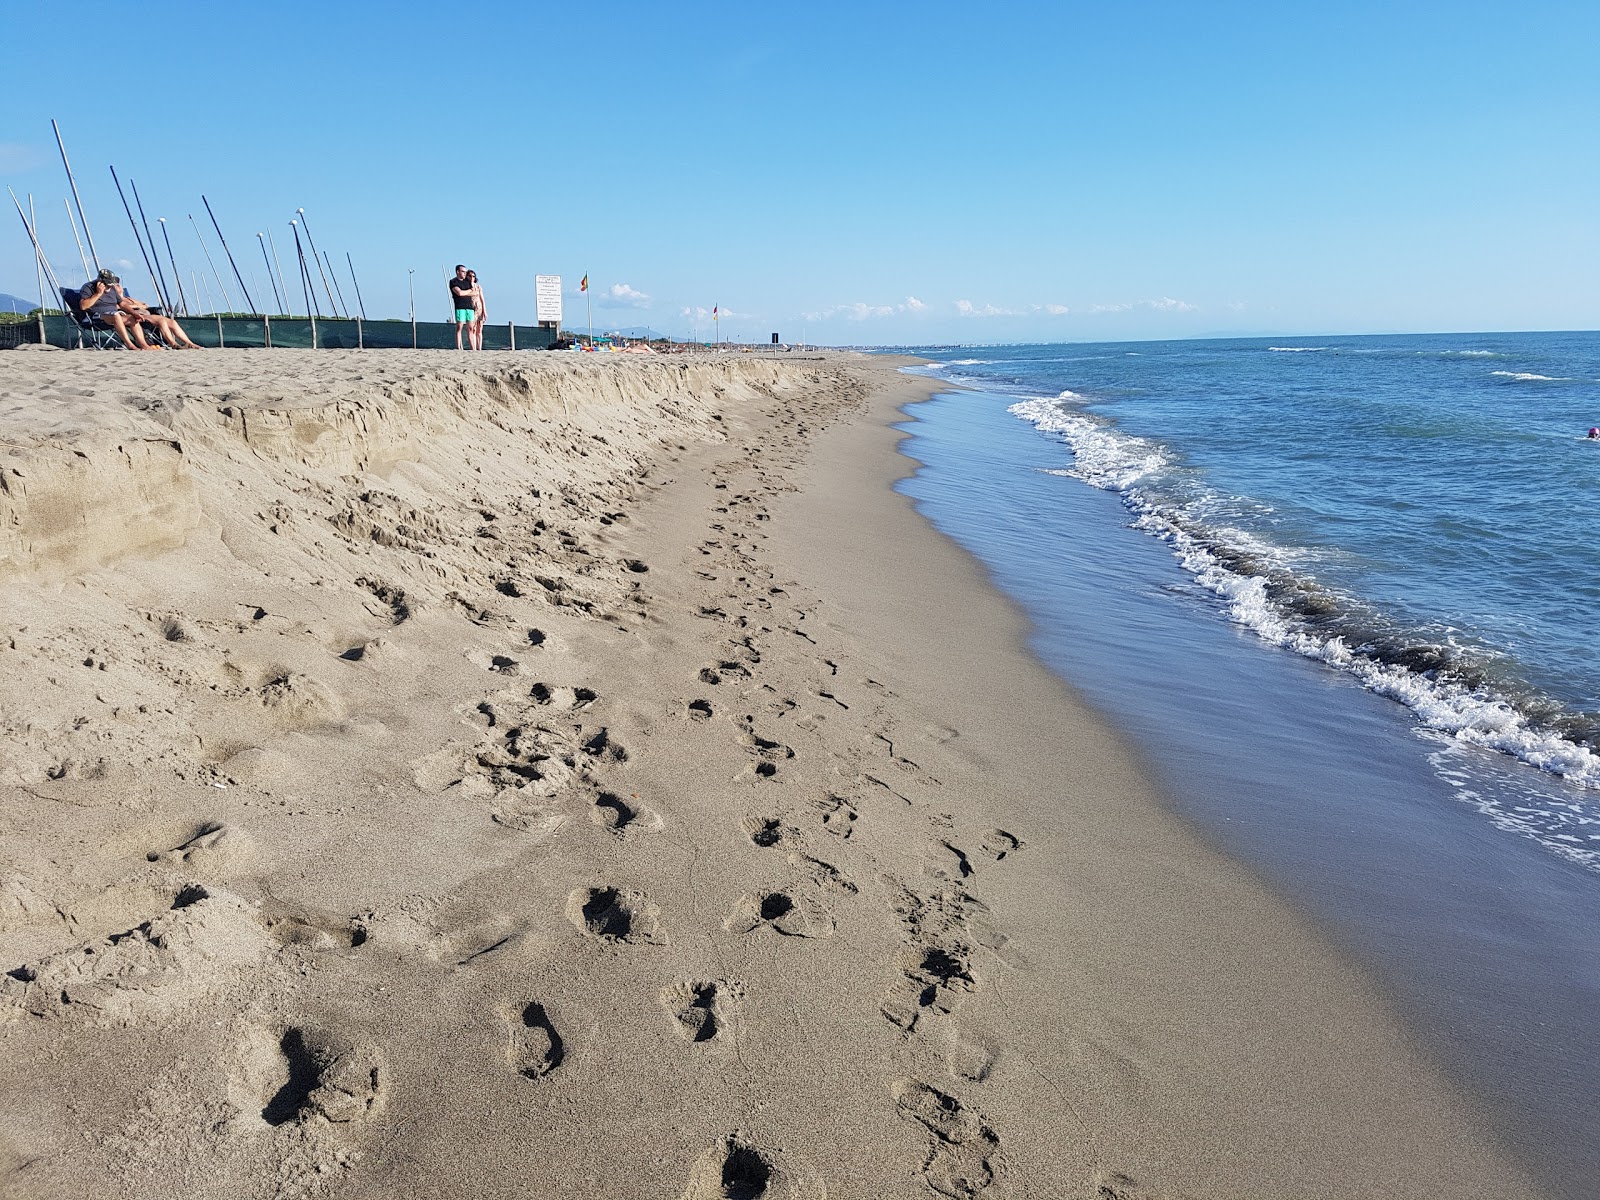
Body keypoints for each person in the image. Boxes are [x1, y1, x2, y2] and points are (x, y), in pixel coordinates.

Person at [77, 269, 201, 350]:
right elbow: (83, 306)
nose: (110, 286)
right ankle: (130, 345)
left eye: (112, 284)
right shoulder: (89, 287)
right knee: (116, 316)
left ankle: (145, 345)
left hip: (118, 313)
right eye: (108, 284)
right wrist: (98, 294)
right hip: (98, 316)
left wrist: (134, 312)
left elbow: (122, 304)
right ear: (100, 281)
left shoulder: (113, 290)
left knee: (132, 318)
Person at [448, 264, 478, 350]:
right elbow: (459, 293)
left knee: (471, 328)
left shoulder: (467, 282)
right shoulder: (453, 282)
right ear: (458, 272)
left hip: (469, 307)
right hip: (460, 306)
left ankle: (473, 348)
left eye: (465, 272)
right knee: (459, 327)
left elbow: (475, 292)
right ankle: (459, 348)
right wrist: (468, 291)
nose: (465, 273)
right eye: (463, 271)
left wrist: (466, 292)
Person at [467, 269, 486, 351]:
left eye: (473, 276)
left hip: (479, 308)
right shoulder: (466, 286)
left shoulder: (478, 286)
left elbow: (482, 299)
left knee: (479, 329)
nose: (472, 278)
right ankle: (474, 348)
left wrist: (484, 311)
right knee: (473, 329)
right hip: (471, 308)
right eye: (470, 276)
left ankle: (479, 348)